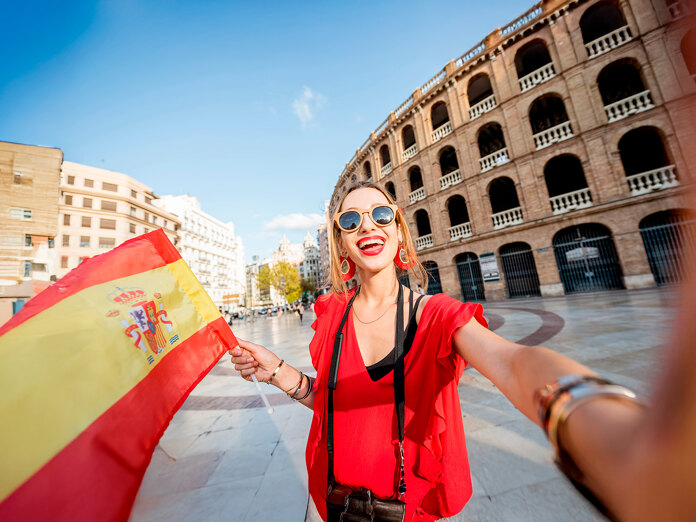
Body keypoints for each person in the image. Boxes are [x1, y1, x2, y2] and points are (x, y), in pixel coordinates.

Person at [230, 181, 696, 521]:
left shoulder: (435, 314)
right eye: (350, 220)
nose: (366, 226)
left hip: (404, 511)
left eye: (380, 214)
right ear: (341, 243)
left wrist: (593, 414)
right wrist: (276, 371)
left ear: (397, 233)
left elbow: (513, 363)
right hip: (334, 502)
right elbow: (335, 405)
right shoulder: (331, 315)